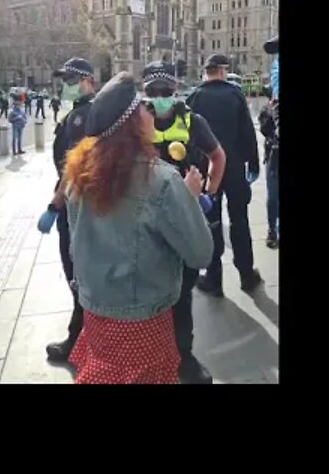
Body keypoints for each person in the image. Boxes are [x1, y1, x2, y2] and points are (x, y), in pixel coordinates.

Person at [60, 72, 214, 384]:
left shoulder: (78, 173)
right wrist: (189, 198)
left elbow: (76, 245)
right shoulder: (161, 181)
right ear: (132, 123)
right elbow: (200, 253)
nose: (150, 111)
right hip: (142, 316)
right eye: (142, 107)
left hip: (96, 311)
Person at [141, 61, 227, 384]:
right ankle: (151, 352)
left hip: (186, 216)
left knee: (183, 291)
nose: (160, 97)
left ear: (175, 90)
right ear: (145, 92)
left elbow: (218, 156)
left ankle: (183, 356)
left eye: (165, 91)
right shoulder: (138, 123)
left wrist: (211, 192)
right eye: (153, 92)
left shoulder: (193, 121)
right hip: (148, 223)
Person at [186, 53, 263, 296]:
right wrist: (253, 162)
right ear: (222, 71)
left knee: (212, 222)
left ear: (206, 71)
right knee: (240, 220)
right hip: (235, 168)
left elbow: (189, 137)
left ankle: (214, 278)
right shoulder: (235, 95)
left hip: (208, 170)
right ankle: (246, 274)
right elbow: (247, 133)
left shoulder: (195, 97)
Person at [44, 58, 97, 362]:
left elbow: (74, 166)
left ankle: (79, 339)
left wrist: (56, 203)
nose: (65, 85)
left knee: (76, 270)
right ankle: (82, 335)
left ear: (88, 80)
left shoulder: (81, 116)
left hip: (77, 203)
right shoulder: (81, 112)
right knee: (79, 271)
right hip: (81, 201)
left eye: (71, 79)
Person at [259, 35, 280, 249]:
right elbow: (265, 128)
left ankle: (274, 230)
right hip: (274, 153)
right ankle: (273, 229)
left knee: (274, 196)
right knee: (273, 196)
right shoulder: (270, 107)